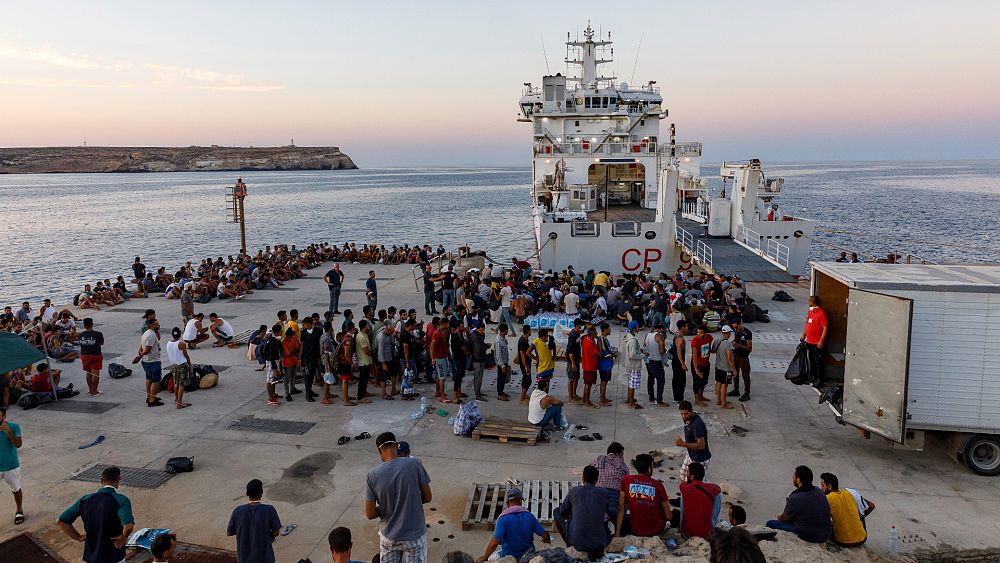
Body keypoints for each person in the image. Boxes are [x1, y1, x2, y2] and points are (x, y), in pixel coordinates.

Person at [365, 432, 432, 563]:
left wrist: (386, 507)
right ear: (396, 446)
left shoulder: (372, 475)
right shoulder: (414, 464)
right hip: (414, 536)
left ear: (379, 450)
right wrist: (410, 501)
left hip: (389, 537)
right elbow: (428, 497)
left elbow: (370, 513)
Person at [57, 466, 135, 563]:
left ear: (102, 481)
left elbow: (62, 521)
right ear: (118, 480)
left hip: (92, 556)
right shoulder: (121, 500)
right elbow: (128, 527)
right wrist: (123, 537)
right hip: (113, 555)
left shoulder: (85, 499)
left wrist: (78, 537)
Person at [553, 465, 611, 559]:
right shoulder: (603, 493)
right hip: (600, 541)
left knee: (556, 511)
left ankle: (570, 545)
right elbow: (606, 512)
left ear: (583, 478)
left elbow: (563, 511)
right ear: (597, 480)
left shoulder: (575, 491)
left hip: (576, 541)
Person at [478, 487, 550, 561]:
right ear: (520, 500)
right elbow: (544, 535)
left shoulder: (502, 519)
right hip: (528, 556)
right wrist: (547, 539)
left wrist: (484, 558)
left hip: (508, 558)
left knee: (490, 557)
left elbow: (495, 542)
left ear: (507, 503)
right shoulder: (530, 516)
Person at [765, 465, 833, 543]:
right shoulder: (818, 490)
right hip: (826, 533)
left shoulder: (795, 498)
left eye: (794, 477)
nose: (792, 478)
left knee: (770, 523)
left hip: (813, 536)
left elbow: (784, 518)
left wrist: (779, 517)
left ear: (798, 480)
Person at [615, 454, 670, 537]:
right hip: (656, 530)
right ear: (649, 469)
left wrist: (617, 531)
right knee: (675, 514)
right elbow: (668, 515)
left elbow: (621, 508)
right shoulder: (658, 485)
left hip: (635, 529)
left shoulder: (626, 480)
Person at [227, 479, 282, 563]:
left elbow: (229, 532)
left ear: (247, 493)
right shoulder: (269, 510)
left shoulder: (238, 511)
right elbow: (276, 533)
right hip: (264, 558)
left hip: (244, 559)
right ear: (262, 492)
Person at [820, 472, 867, 547]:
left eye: (822, 486)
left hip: (843, 542)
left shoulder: (828, 498)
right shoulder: (848, 493)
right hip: (863, 538)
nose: (821, 488)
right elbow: (867, 507)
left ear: (829, 486)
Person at [678, 461, 721, 539]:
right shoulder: (711, 489)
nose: (686, 474)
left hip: (687, 533)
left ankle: (682, 525)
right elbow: (718, 488)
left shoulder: (686, 488)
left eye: (687, 473)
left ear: (691, 477)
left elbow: (682, 484)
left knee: (683, 495)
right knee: (717, 496)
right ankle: (711, 525)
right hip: (706, 534)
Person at [590, 442, 628, 521]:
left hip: (597, 498)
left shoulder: (596, 461)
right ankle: (619, 529)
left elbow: (588, 475)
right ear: (617, 454)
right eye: (622, 455)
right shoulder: (622, 465)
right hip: (615, 500)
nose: (622, 457)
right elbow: (626, 484)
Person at [676, 400, 711, 481]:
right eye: (682, 414)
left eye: (686, 413)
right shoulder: (688, 418)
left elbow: (701, 445)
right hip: (691, 454)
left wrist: (683, 444)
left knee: (695, 484)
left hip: (699, 459)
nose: (684, 416)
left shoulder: (696, 424)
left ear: (691, 411)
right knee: (683, 476)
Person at [0, 408, 24, 525]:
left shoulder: (14, 427)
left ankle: (19, 510)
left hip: (11, 466)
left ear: (4, 416)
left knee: (16, 489)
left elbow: (18, 444)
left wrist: (8, 432)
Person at [135, 318, 165, 407]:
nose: (158, 325)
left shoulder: (146, 333)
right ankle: (152, 400)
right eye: (156, 324)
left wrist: (140, 355)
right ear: (151, 325)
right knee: (155, 381)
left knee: (149, 379)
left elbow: (141, 346)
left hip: (146, 361)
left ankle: (150, 396)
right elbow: (147, 349)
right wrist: (140, 355)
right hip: (153, 361)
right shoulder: (151, 335)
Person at [801, 295, 829, 388]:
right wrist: (804, 334)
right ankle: (813, 376)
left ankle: (820, 379)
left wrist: (821, 340)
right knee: (812, 360)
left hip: (817, 342)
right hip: (810, 341)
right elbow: (807, 324)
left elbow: (825, 327)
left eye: (809, 301)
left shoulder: (821, 313)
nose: (808, 302)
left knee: (818, 362)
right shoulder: (811, 312)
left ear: (813, 302)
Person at [166, 327, 193, 409]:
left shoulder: (168, 343)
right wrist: (190, 365)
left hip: (174, 366)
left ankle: (177, 399)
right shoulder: (182, 344)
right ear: (180, 334)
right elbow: (186, 356)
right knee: (181, 385)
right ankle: (179, 403)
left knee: (175, 383)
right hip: (182, 366)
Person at [78, 318, 105, 397]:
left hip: (84, 355)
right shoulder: (98, 334)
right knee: (95, 373)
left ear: (84, 325)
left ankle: (90, 390)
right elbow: (102, 343)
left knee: (88, 373)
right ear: (92, 324)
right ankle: (95, 391)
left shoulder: (80, 335)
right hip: (96, 355)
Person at [727, 318, 753, 402]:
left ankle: (747, 393)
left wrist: (738, 345)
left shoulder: (748, 333)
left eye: (736, 327)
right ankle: (736, 389)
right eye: (734, 327)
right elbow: (735, 340)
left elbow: (749, 348)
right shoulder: (736, 331)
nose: (735, 329)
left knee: (745, 375)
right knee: (735, 373)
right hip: (736, 354)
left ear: (740, 323)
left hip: (743, 356)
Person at [711, 326, 736, 410]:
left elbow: (713, 350)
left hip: (718, 366)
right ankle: (724, 403)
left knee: (718, 383)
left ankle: (719, 400)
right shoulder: (728, 344)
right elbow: (729, 358)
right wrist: (734, 370)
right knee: (724, 386)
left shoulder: (717, 341)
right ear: (728, 333)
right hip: (726, 368)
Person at [622, 320, 645, 409]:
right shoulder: (633, 340)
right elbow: (633, 355)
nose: (638, 328)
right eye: (637, 326)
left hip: (629, 364)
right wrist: (643, 355)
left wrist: (639, 350)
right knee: (633, 384)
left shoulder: (629, 337)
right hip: (634, 365)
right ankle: (631, 403)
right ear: (634, 328)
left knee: (630, 383)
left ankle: (629, 399)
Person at [643, 324, 666, 407]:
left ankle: (651, 397)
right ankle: (659, 401)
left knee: (651, 377)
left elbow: (644, 347)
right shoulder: (659, 337)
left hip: (648, 360)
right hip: (656, 361)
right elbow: (661, 351)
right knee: (661, 380)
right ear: (660, 329)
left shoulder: (648, 335)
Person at [300, 316, 322, 402]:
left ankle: (310, 390)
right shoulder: (303, 333)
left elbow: (320, 344)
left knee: (312, 374)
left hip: (315, 356)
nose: (303, 326)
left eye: (304, 324)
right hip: (306, 357)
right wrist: (300, 358)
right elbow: (301, 345)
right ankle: (308, 394)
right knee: (307, 375)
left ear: (309, 324)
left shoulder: (318, 331)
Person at [690, 325, 713, 407]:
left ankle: (701, 395)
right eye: (698, 332)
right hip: (697, 364)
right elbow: (694, 355)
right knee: (697, 382)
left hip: (706, 363)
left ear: (705, 333)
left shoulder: (709, 337)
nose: (699, 334)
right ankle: (697, 399)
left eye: (701, 333)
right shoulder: (695, 340)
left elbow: (710, 347)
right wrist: (696, 369)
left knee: (704, 381)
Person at [469, 323, 490, 401]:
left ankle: (478, 392)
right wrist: (487, 346)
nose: (482, 331)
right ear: (477, 329)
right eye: (481, 330)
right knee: (477, 378)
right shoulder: (475, 337)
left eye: (483, 330)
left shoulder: (480, 335)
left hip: (480, 359)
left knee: (479, 377)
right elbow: (479, 349)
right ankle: (477, 395)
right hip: (477, 360)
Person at [564, 319, 584, 403]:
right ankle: (570, 397)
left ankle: (574, 394)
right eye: (580, 325)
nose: (581, 326)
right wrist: (573, 363)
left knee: (576, 378)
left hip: (577, 360)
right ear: (577, 325)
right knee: (571, 379)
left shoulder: (577, 333)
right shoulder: (572, 335)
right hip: (572, 361)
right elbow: (570, 351)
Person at [580, 325, 600, 408]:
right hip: (590, 367)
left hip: (586, 365)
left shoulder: (585, 339)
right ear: (592, 335)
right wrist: (599, 342)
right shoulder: (590, 344)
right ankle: (587, 402)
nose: (597, 335)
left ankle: (585, 399)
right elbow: (599, 353)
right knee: (588, 384)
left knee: (587, 384)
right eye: (595, 334)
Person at [596, 323, 616, 406]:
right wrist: (612, 355)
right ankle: (601, 400)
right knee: (603, 381)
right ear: (605, 330)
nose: (610, 330)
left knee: (605, 381)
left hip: (607, 364)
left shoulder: (604, 339)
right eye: (609, 328)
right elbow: (601, 354)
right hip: (604, 365)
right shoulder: (601, 339)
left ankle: (603, 398)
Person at [281, 325, 302, 401]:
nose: (289, 338)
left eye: (290, 337)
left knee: (293, 376)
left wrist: (295, 351)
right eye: (288, 337)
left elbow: (297, 347)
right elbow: (288, 353)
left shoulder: (293, 338)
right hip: (287, 362)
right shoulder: (283, 342)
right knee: (287, 378)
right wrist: (294, 351)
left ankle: (292, 388)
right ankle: (287, 393)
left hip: (294, 360)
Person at [495, 323, 512, 401]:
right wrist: (502, 366)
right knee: (501, 378)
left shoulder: (503, 339)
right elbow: (498, 355)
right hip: (501, 363)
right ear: (505, 330)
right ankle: (500, 394)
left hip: (505, 361)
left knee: (503, 378)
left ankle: (501, 392)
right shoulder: (498, 341)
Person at [516, 325, 532, 403]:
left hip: (527, 363)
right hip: (525, 364)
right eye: (530, 330)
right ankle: (522, 398)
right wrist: (526, 367)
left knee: (525, 379)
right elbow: (522, 355)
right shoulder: (522, 341)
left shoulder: (525, 340)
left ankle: (524, 395)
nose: (531, 331)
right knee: (528, 380)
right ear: (528, 331)